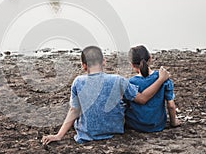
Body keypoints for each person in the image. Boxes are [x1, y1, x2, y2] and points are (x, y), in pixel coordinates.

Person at [41, 46, 170, 144]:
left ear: (84, 66)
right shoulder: (118, 80)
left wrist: (59, 135)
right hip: (114, 130)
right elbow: (142, 99)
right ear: (104, 61)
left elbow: (74, 110)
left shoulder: (78, 82)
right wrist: (160, 80)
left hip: (87, 134)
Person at [125, 45, 180, 132]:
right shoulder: (163, 78)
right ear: (150, 58)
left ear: (131, 64)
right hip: (158, 124)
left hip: (135, 125)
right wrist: (174, 122)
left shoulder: (130, 82)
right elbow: (171, 105)